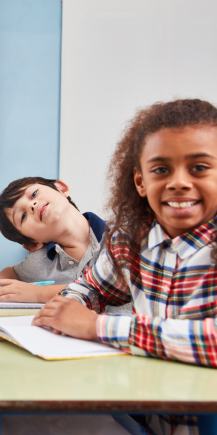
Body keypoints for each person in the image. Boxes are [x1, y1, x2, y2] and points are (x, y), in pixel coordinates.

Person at [32, 99, 217, 435]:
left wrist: (96, 327)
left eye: (199, 168)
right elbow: (92, 287)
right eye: (161, 169)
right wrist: (70, 306)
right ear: (141, 181)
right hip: (149, 415)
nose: (178, 182)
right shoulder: (132, 237)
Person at [0, 177, 132, 314]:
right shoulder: (40, 260)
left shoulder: (122, 234)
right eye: (22, 217)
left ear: (61, 188)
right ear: (32, 244)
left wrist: (37, 294)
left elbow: (109, 285)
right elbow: (13, 272)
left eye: (34, 194)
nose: (31, 205)